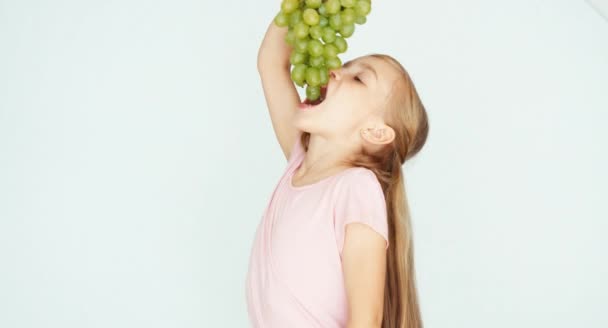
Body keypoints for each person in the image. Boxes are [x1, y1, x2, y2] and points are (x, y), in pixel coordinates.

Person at [245, 15, 429, 328]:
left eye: (358, 79)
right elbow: (271, 61)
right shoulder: (300, 163)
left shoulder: (356, 188)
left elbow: (365, 320)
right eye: (344, 66)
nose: (333, 71)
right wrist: (299, 7)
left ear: (376, 131)